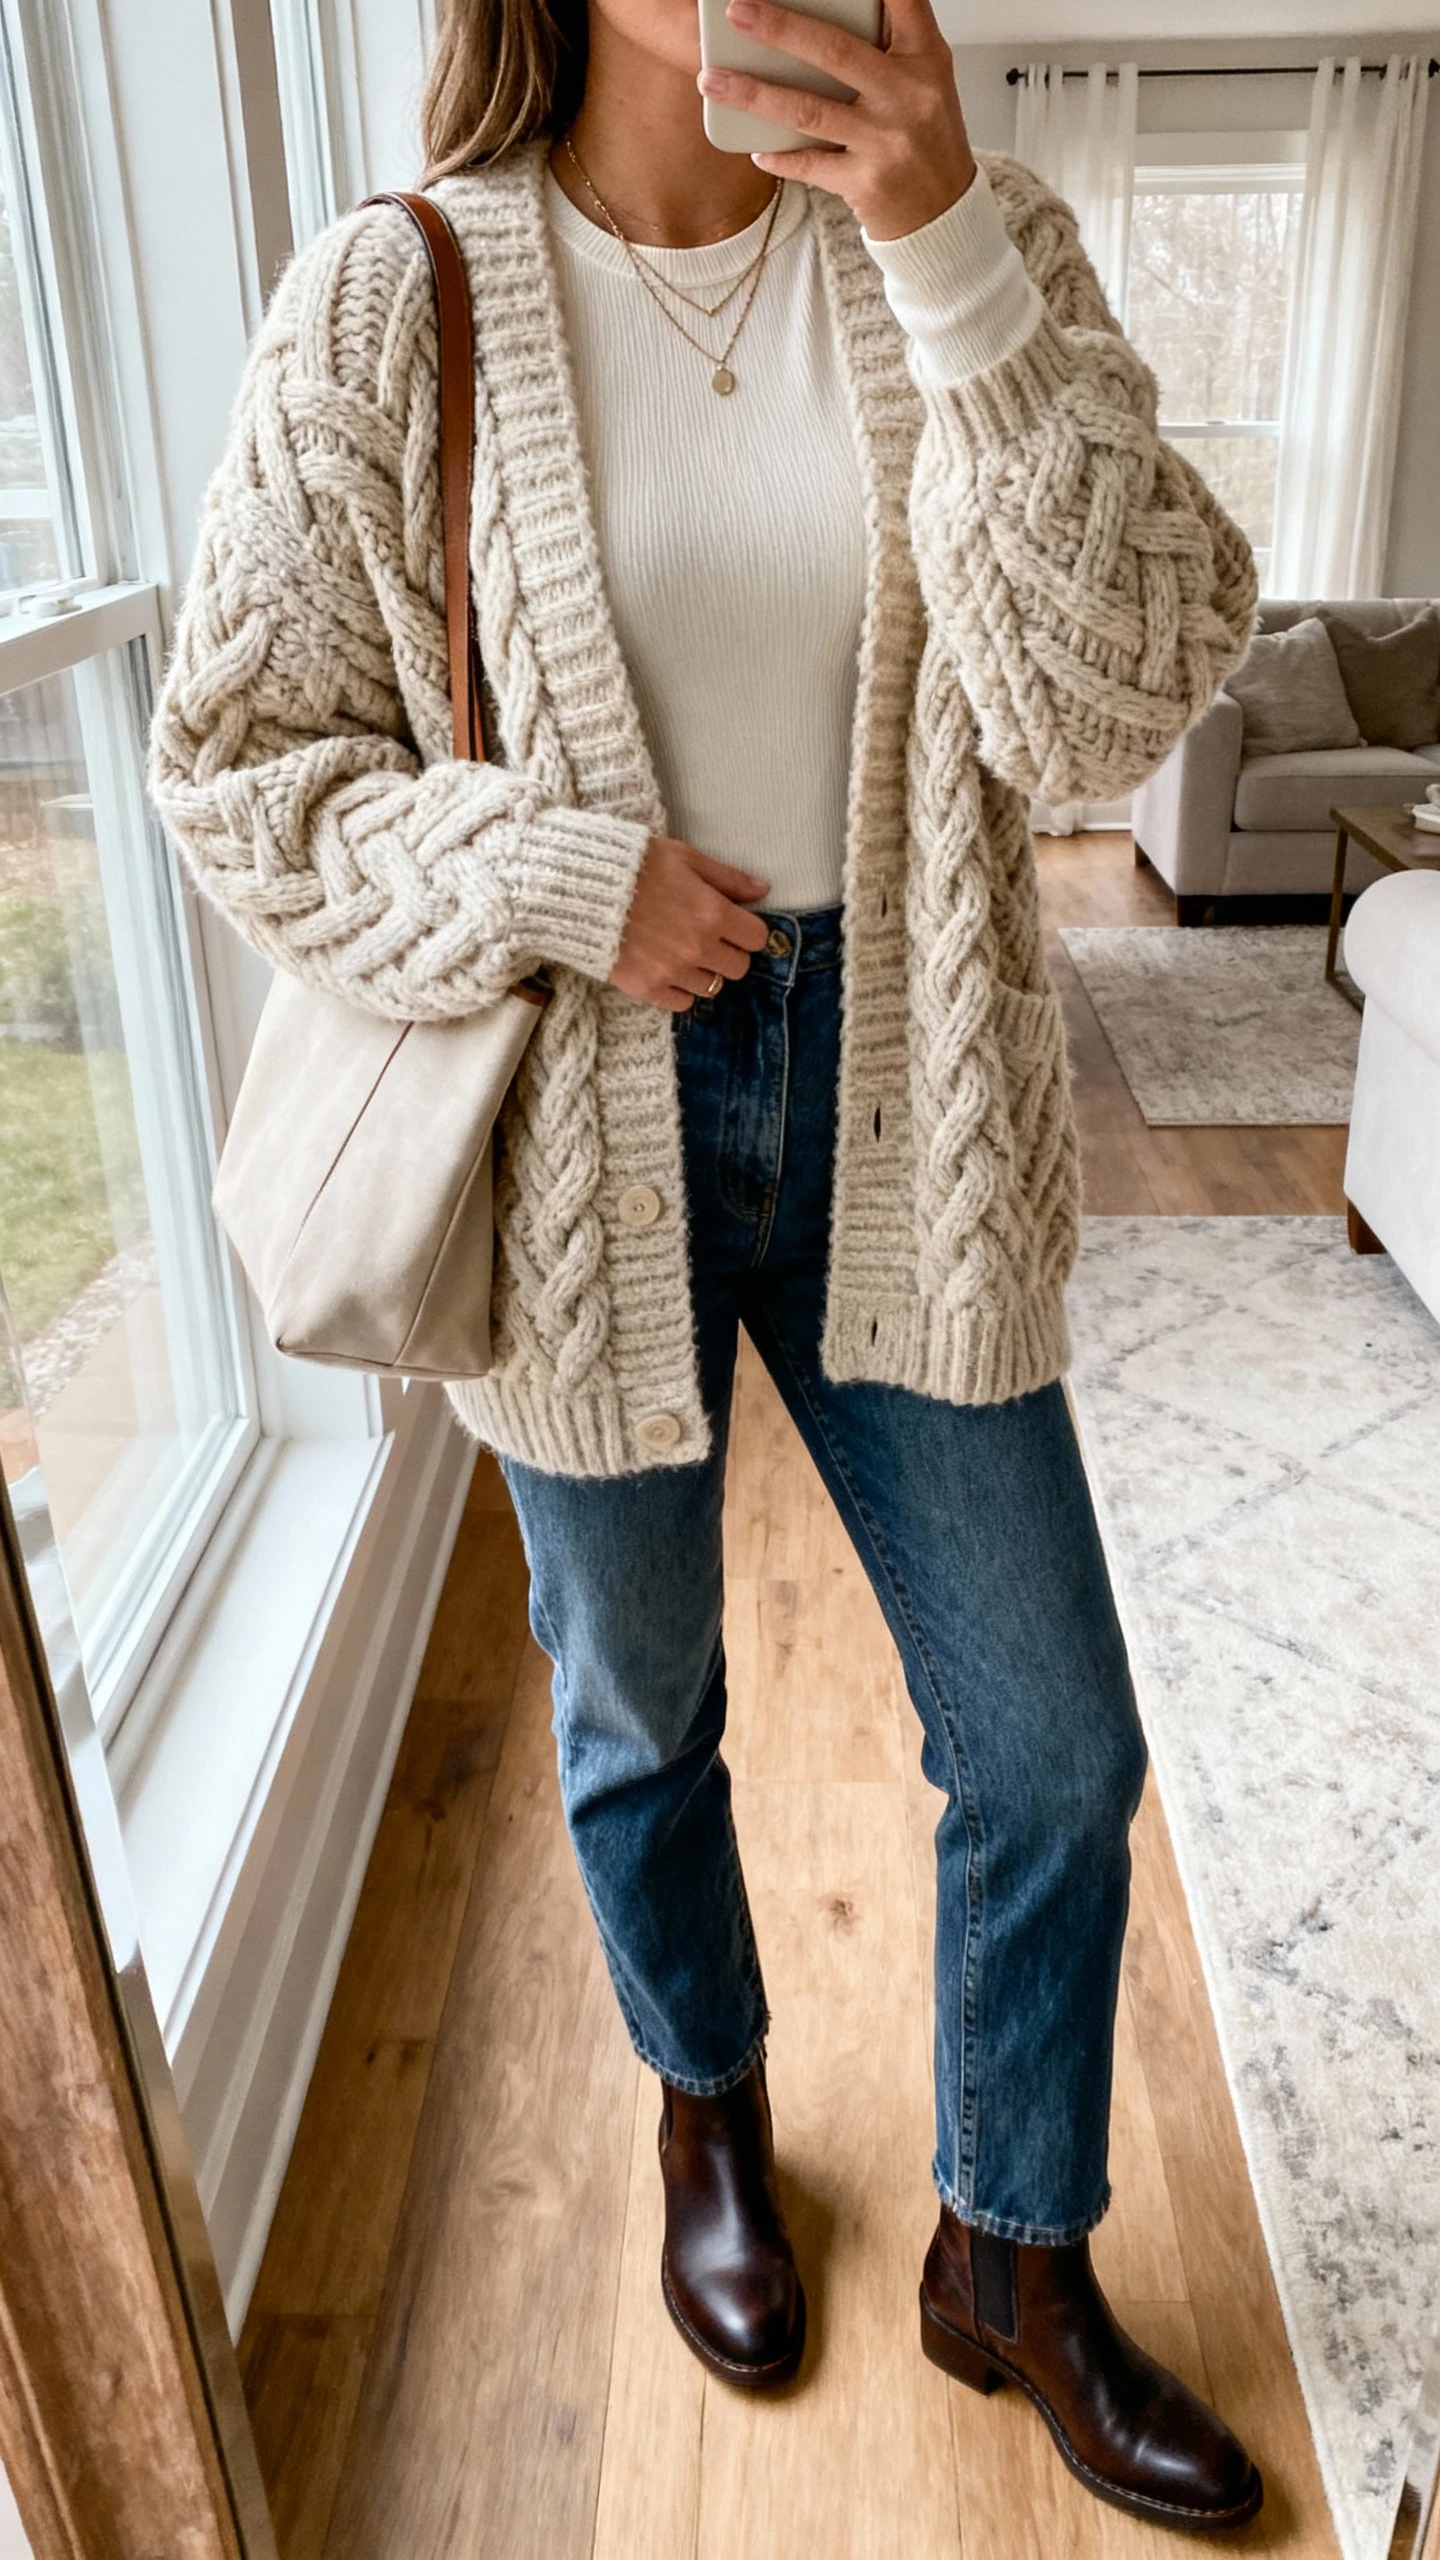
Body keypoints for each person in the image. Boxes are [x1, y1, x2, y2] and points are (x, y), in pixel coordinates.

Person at [150, 0, 1263, 2528]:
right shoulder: (397, 292)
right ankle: (710, 2110)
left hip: (917, 1096)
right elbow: (237, 755)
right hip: (583, 1115)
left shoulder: (955, 247)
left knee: (1054, 1738)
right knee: (638, 1713)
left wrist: (954, 247)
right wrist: (559, 875)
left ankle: (1021, 2248)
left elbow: (1120, 688)